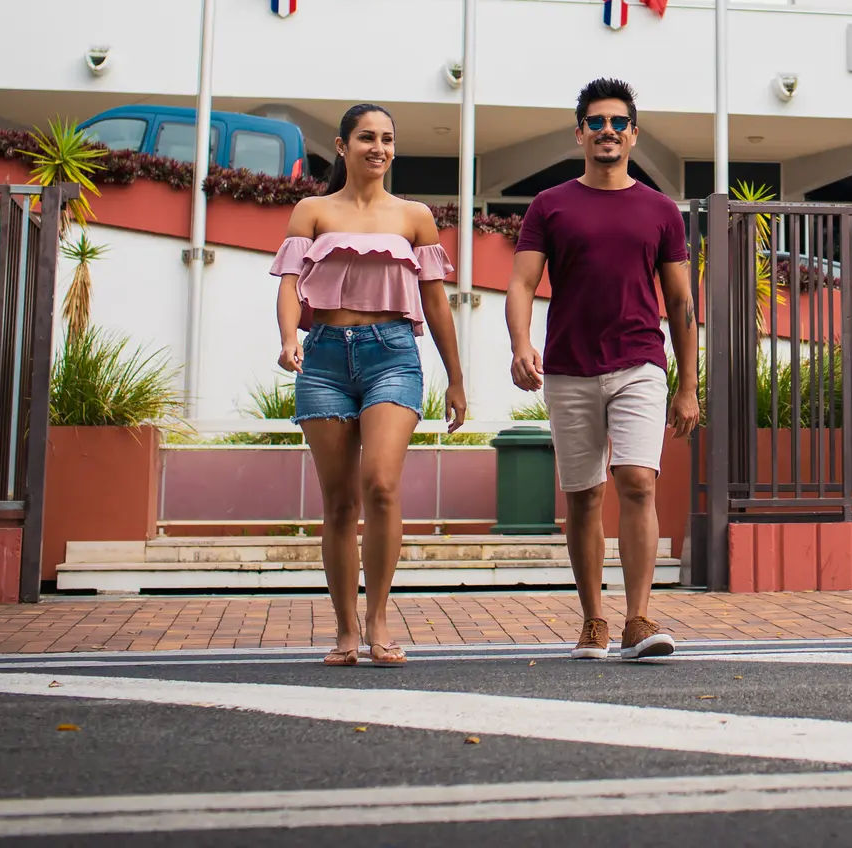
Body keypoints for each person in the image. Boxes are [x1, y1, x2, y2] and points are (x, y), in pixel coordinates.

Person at [507, 78, 700, 661]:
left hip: (640, 361)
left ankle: (638, 618)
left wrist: (688, 385)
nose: (608, 131)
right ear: (581, 133)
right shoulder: (551, 205)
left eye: (618, 122)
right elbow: (520, 282)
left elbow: (682, 303)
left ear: (634, 134)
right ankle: (594, 619)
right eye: (596, 122)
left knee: (639, 482)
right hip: (568, 368)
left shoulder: (660, 210)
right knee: (584, 495)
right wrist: (520, 344)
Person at [271, 103, 466, 667]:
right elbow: (288, 284)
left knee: (381, 483)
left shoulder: (414, 217)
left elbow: (436, 302)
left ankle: (379, 619)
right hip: (326, 359)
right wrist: (290, 337)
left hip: (393, 357)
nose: (377, 148)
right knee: (338, 503)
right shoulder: (312, 210)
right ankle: (345, 628)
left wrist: (456, 379)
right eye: (365, 138)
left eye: (386, 139)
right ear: (342, 145)